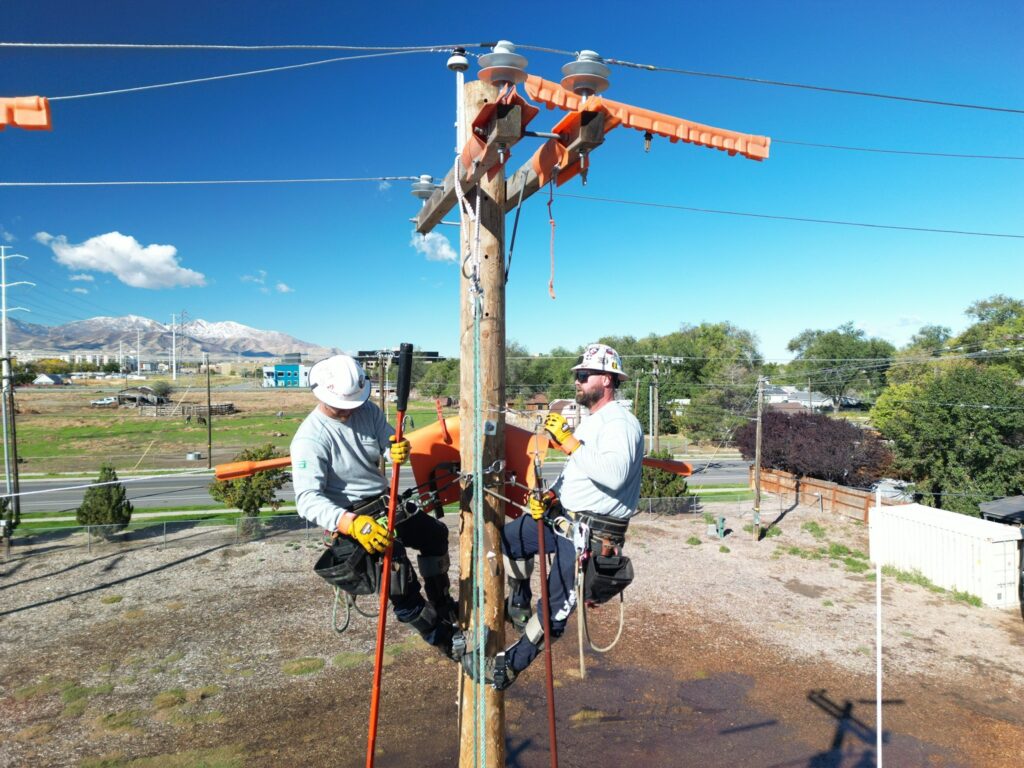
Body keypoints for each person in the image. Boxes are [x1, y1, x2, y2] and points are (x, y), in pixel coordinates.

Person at [463, 343, 644, 689]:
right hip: (562, 518)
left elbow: (615, 473)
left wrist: (568, 442)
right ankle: (518, 596)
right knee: (504, 542)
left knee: (554, 610)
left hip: (590, 534)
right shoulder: (594, 422)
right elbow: (580, 471)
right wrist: (551, 496)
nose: (577, 380)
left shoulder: (621, 422)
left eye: (583, 375)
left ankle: (508, 668)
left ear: (606, 380)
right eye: (577, 375)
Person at [291, 354, 463, 660]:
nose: (349, 411)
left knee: (434, 535)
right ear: (321, 395)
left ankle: (442, 602)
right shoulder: (310, 438)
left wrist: (398, 447)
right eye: (341, 406)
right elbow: (307, 499)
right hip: (354, 515)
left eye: (353, 404)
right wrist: (351, 524)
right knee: (401, 587)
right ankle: (449, 643)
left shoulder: (366, 409)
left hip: (385, 502)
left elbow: (387, 442)